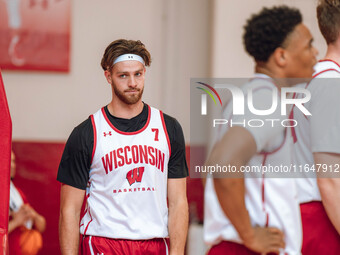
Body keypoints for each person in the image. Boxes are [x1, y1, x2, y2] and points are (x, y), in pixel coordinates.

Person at [204, 6, 317, 255]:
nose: (315, 53)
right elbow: (222, 164)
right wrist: (249, 234)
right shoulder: (266, 101)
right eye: (309, 45)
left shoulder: (248, 95)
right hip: (248, 249)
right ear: (281, 57)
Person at [57, 39, 189, 255]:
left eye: (138, 74)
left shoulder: (169, 128)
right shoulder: (86, 133)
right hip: (104, 243)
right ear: (108, 76)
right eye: (123, 75)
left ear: (144, 73)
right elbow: (69, 210)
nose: (132, 83)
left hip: (154, 244)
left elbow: (178, 202)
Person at [292, 0, 340, 254]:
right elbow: (330, 178)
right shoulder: (331, 83)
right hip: (321, 218)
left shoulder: (310, 79)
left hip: (307, 216)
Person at [9, 150, 46, 255]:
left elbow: (42, 225)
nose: (12, 165)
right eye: (9, 161)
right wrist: (16, 222)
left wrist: (34, 216)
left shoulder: (17, 193)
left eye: (14, 161)